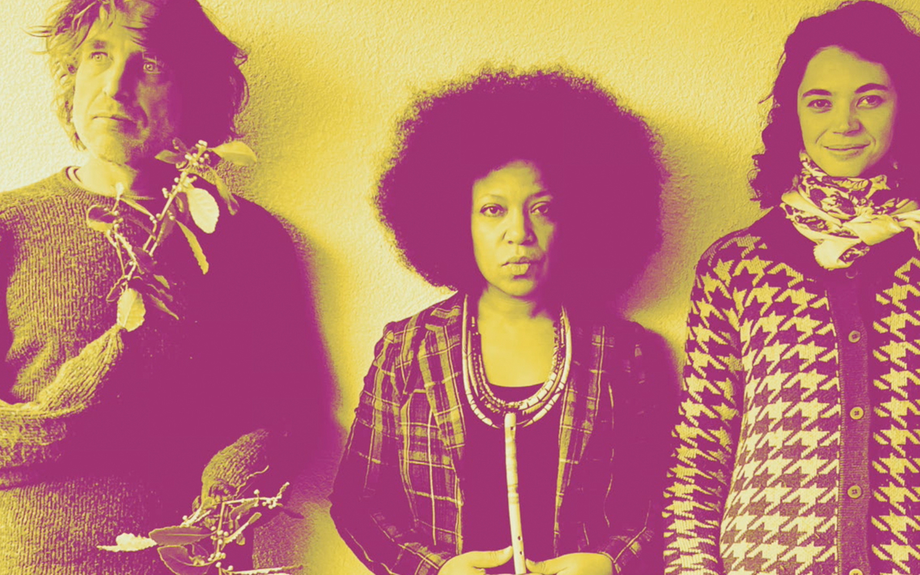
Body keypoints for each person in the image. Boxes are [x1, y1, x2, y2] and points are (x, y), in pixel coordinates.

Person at [0, 0, 318, 572]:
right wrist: (77, 404)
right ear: (71, 74)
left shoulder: (250, 239)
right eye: (98, 56)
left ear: (194, 93)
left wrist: (218, 510)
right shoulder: (10, 225)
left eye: (150, 66)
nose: (114, 87)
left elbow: (290, 410)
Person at [330, 69, 671, 575]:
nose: (519, 233)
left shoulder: (625, 352)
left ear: (580, 217)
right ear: (456, 220)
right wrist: (434, 570)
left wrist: (610, 564)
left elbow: (660, 501)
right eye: (493, 210)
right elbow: (358, 503)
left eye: (543, 208)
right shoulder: (407, 349)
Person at [663, 2, 920, 574]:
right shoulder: (737, 266)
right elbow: (697, 463)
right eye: (820, 101)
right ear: (794, 113)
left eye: (870, 99)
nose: (844, 123)